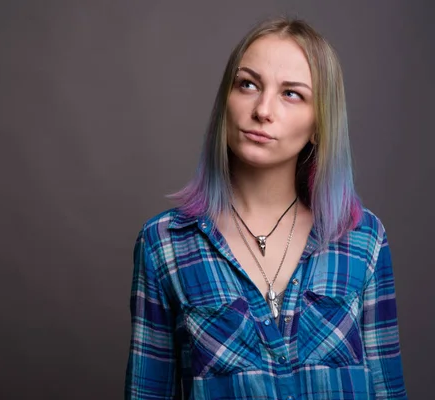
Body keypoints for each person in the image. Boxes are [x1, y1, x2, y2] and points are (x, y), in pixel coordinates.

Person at [125, 17, 407, 399]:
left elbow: (387, 390)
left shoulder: (363, 239)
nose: (262, 110)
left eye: (292, 94)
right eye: (248, 84)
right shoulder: (165, 244)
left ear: (319, 124)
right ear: (226, 98)